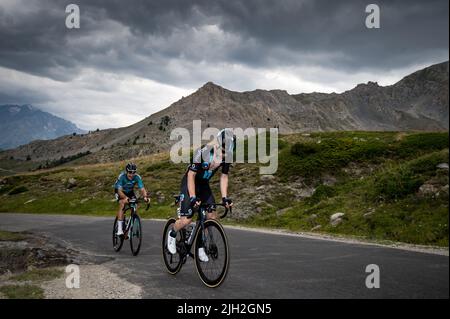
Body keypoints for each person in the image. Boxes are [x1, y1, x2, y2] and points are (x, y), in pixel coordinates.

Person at [167, 129, 236, 262]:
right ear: (216, 144)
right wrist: (193, 197)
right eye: (222, 151)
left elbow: (224, 176)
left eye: (226, 152)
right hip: (189, 183)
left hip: (203, 185)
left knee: (210, 216)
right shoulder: (204, 152)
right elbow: (191, 175)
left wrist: (224, 197)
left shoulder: (227, 156)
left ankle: (200, 247)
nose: (223, 155)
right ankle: (172, 233)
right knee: (186, 220)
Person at [114, 162, 150, 236]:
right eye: (130, 172)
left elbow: (142, 189)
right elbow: (119, 191)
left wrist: (145, 197)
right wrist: (125, 198)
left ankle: (129, 227)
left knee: (134, 206)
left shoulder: (137, 177)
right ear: (126, 171)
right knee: (122, 203)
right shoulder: (122, 177)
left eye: (134, 172)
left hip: (130, 191)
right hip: (120, 191)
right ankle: (120, 229)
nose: (132, 174)